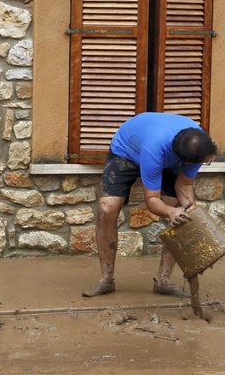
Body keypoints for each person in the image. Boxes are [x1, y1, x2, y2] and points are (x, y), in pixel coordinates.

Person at [83, 112, 217, 298]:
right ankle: (106, 280)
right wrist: (171, 212)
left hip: (167, 152)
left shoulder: (200, 144)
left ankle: (164, 281)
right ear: (184, 160)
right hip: (128, 152)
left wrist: (190, 215)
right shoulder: (154, 149)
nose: (205, 163)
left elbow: (184, 185)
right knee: (107, 209)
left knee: (182, 212)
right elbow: (152, 201)